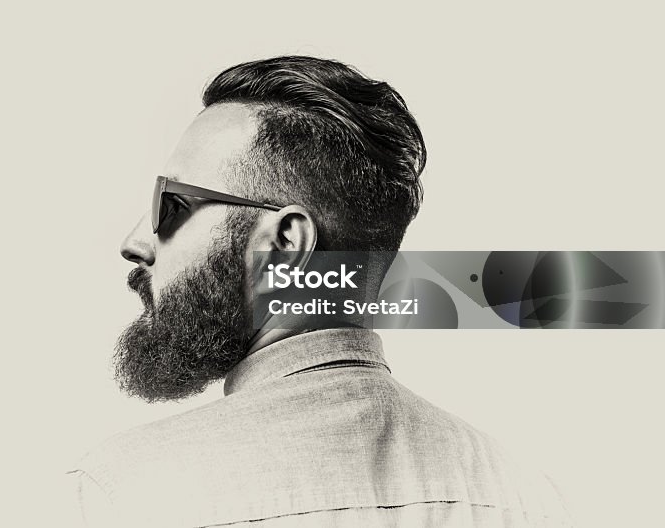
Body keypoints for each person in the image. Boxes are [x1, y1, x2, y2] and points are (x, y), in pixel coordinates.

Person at [67, 56, 572, 527]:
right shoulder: (527, 497)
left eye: (171, 205)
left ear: (286, 247)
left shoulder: (125, 495)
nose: (135, 241)